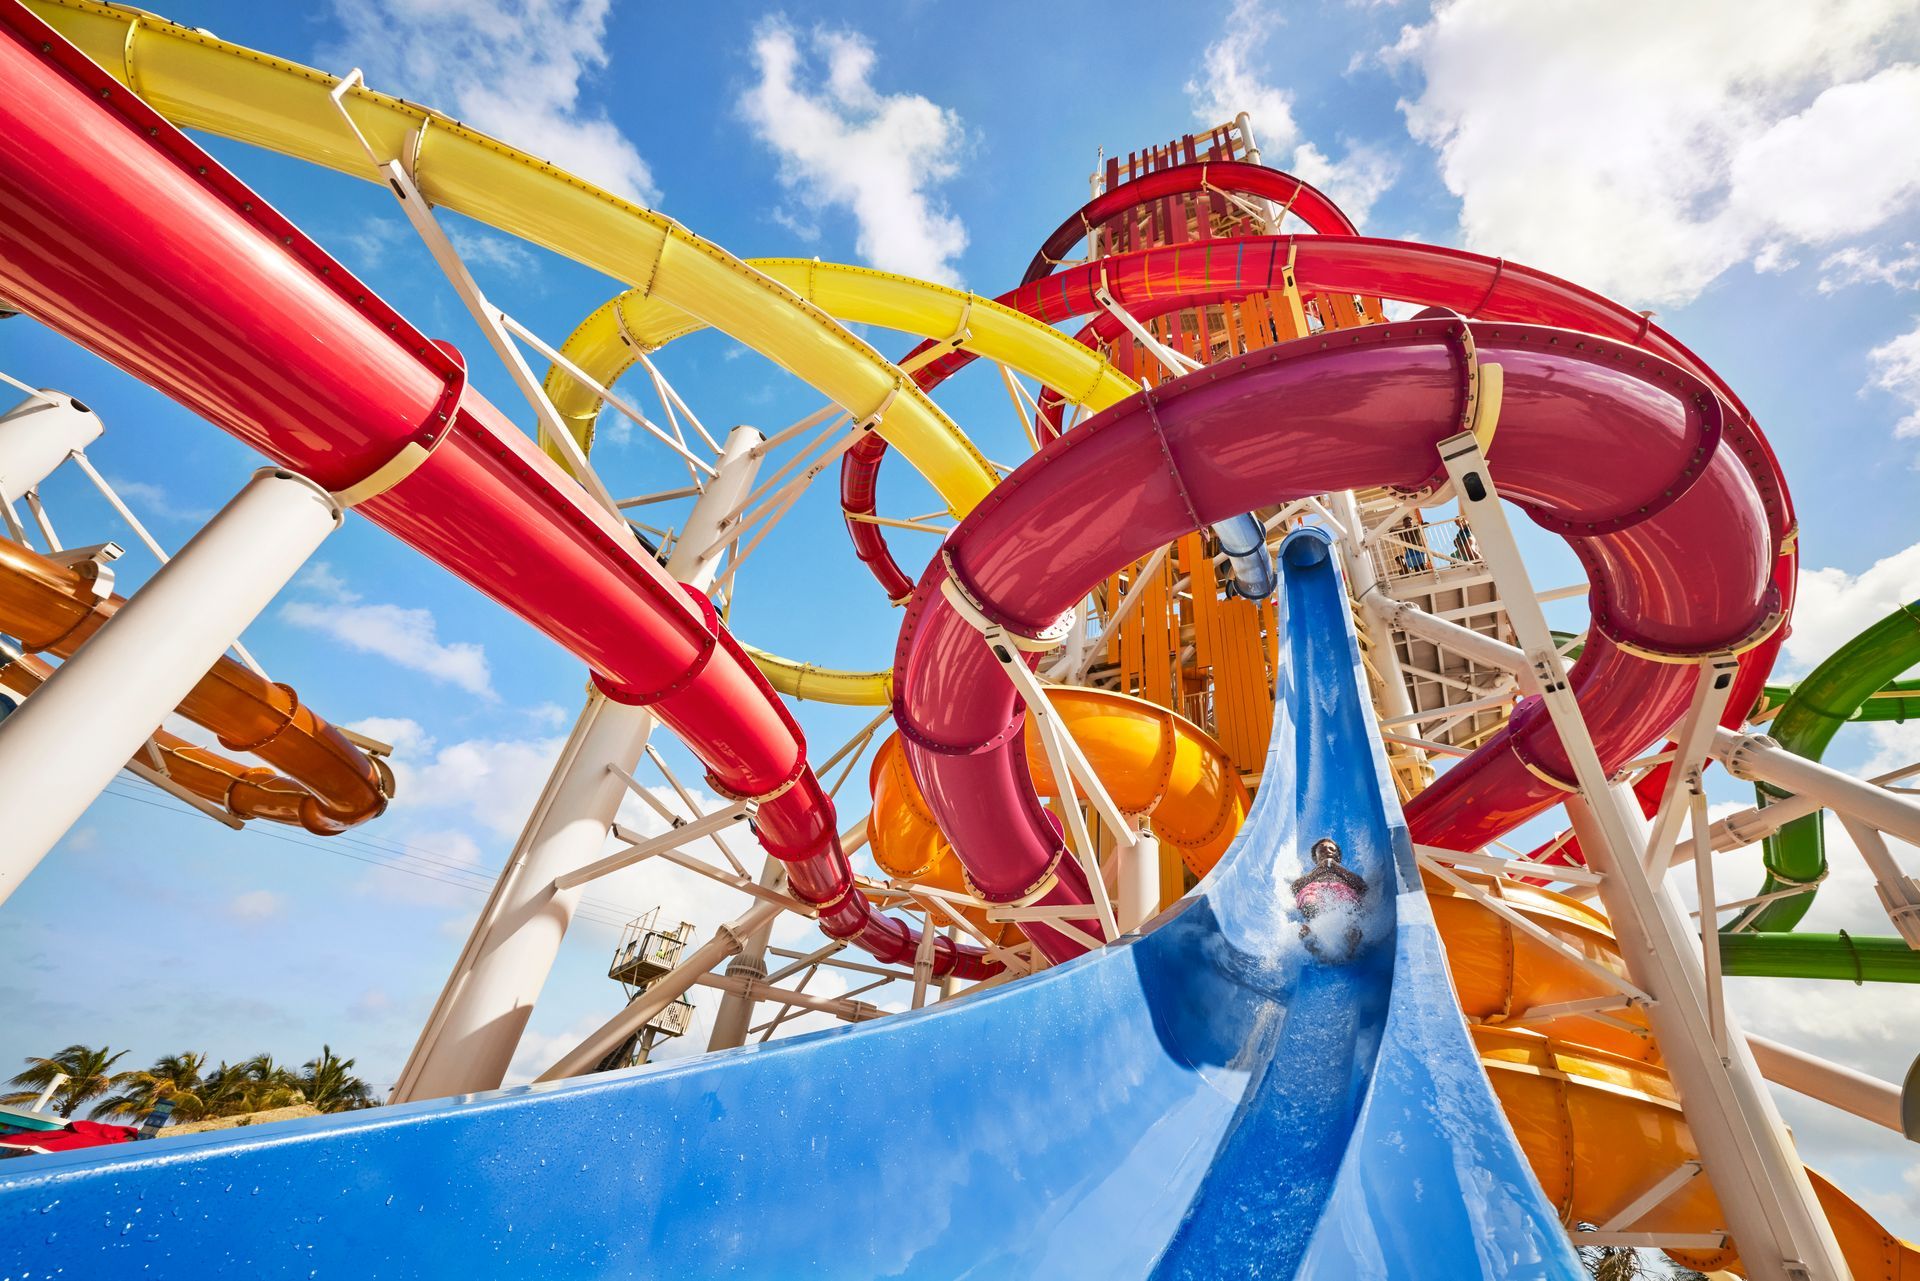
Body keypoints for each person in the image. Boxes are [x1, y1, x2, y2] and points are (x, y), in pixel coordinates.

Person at [1292, 837, 1367, 954]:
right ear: (1315, 857)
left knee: (1346, 903)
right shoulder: (1313, 874)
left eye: (1332, 849)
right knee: (1310, 901)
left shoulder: (1343, 872)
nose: (1327, 851)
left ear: (1338, 856)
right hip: (1315, 889)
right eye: (1322, 850)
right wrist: (1318, 870)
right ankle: (1312, 936)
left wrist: (1335, 867)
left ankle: (1349, 939)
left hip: (1341, 888)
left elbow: (1362, 886)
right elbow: (1295, 888)